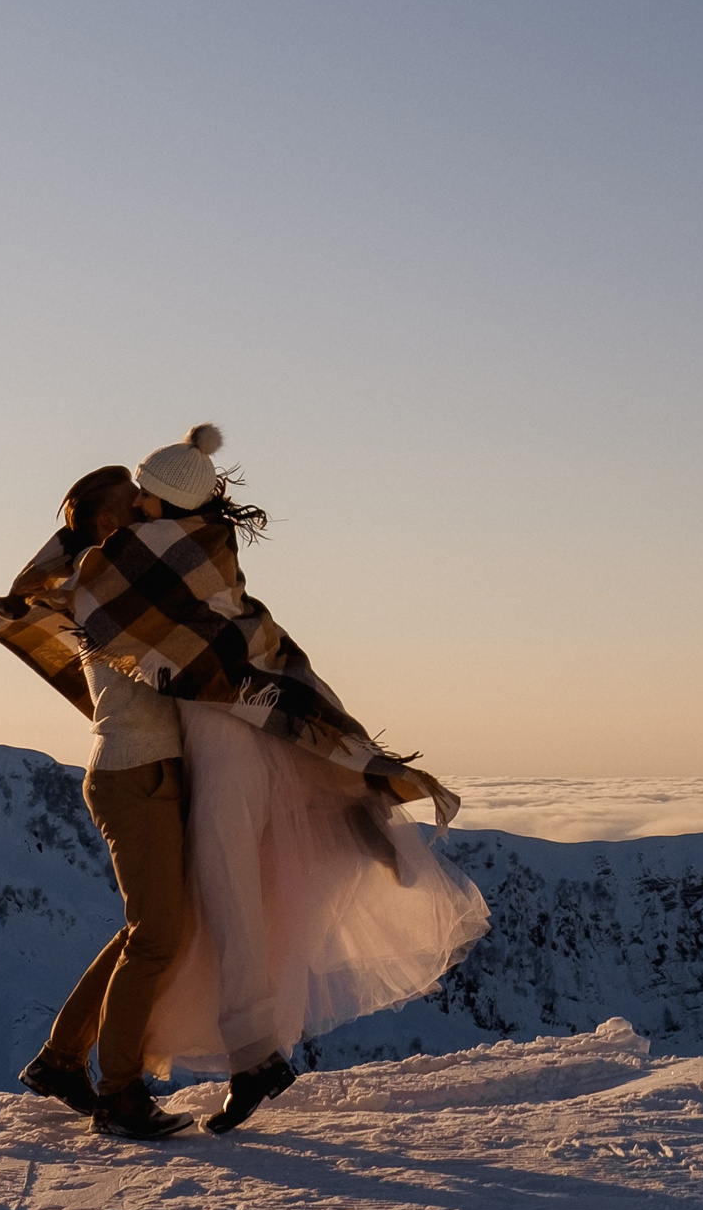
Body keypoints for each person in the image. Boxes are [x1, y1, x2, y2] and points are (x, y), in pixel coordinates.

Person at [72, 426, 491, 1135]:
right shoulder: (196, 542)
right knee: (236, 898)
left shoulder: (164, 551)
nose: (137, 505)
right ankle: (253, 1052)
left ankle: (254, 1059)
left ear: (167, 502)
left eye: (146, 496)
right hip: (239, 737)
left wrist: (4, 592)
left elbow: (83, 566)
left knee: (230, 899)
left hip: (225, 744)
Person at [0, 466, 195, 1141]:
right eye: (135, 505)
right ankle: (119, 1094)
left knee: (155, 928)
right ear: (111, 523)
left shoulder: (108, 579)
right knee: (159, 935)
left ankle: (61, 1061)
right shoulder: (105, 585)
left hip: (145, 772)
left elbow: (23, 609)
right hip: (134, 775)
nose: (147, 511)